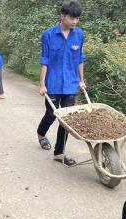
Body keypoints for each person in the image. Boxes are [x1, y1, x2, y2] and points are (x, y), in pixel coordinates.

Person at [37, 0, 86, 166]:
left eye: (77, 18)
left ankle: (59, 152)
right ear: (62, 16)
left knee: (66, 119)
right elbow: (45, 60)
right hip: (52, 82)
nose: (75, 21)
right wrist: (42, 84)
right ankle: (41, 134)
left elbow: (80, 59)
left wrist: (81, 80)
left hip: (71, 83)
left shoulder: (79, 35)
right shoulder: (48, 35)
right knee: (51, 114)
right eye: (72, 18)